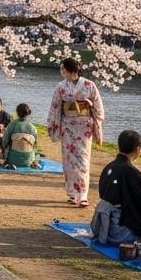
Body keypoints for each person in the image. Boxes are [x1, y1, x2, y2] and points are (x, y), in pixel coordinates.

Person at [90, 129, 141, 244]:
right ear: (138, 149)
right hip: (122, 230)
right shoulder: (131, 172)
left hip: (103, 227)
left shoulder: (109, 167)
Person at [47, 57, 105, 207]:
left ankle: (83, 194)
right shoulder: (61, 87)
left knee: (83, 160)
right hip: (67, 126)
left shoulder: (89, 85)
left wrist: (89, 105)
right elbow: (55, 106)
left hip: (84, 126)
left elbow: (98, 107)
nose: (62, 72)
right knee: (68, 161)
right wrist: (52, 123)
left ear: (71, 70)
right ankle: (72, 194)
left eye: (63, 69)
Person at [0, 103, 39, 168]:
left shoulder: (12, 125)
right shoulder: (33, 127)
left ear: (17, 113)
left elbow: (4, 141)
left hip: (13, 160)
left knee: (6, 144)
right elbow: (35, 145)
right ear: (28, 113)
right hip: (29, 160)